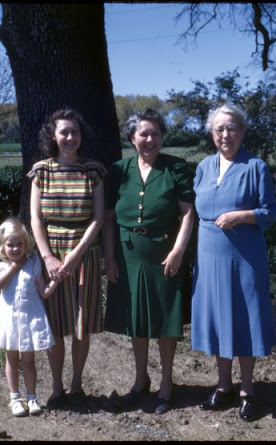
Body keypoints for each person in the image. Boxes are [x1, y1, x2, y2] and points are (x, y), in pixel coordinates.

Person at [104, 108, 195, 415]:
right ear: (132, 138)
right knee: (137, 318)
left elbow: (187, 213)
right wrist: (109, 257)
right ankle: (140, 379)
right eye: (143, 134)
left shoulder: (176, 167)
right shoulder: (119, 170)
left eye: (155, 133)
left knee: (166, 318)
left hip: (164, 253)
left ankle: (167, 382)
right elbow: (108, 218)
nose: (150, 139)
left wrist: (178, 251)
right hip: (128, 254)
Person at [191, 103, 276, 422]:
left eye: (231, 128)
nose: (225, 134)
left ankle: (247, 390)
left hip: (244, 257)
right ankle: (223, 385)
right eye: (219, 129)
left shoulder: (256, 167)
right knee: (218, 318)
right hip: (209, 255)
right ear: (211, 134)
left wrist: (242, 216)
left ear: (242, 131)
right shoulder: (204, 166)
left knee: (244, 317)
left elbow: (270, 212)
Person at [28, 108, 106, 408]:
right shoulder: (41, 172)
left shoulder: (93, 171)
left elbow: (98, 218)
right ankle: (57, 387)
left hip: (84, 255)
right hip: (52, 254)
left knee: (81, 324)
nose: (71, 137)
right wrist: (48, 257)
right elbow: (36, 219)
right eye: (64, 132)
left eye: (75, 131)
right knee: (55, 323)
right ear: (53, 135)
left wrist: (77, 253)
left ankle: (77, 385)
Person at [0, 217, 59, 417]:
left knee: (29, 361)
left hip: (30, 319)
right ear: (2, 246)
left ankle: (32, 397)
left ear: (26, 245)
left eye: (19, 244)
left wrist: (56, 281)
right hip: (9, 320)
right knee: (12, 360)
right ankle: (15, 398)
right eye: (10, 245)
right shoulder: (0, 266)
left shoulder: (34, 264)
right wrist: (14, 267)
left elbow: (43, 292)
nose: (15, 249)